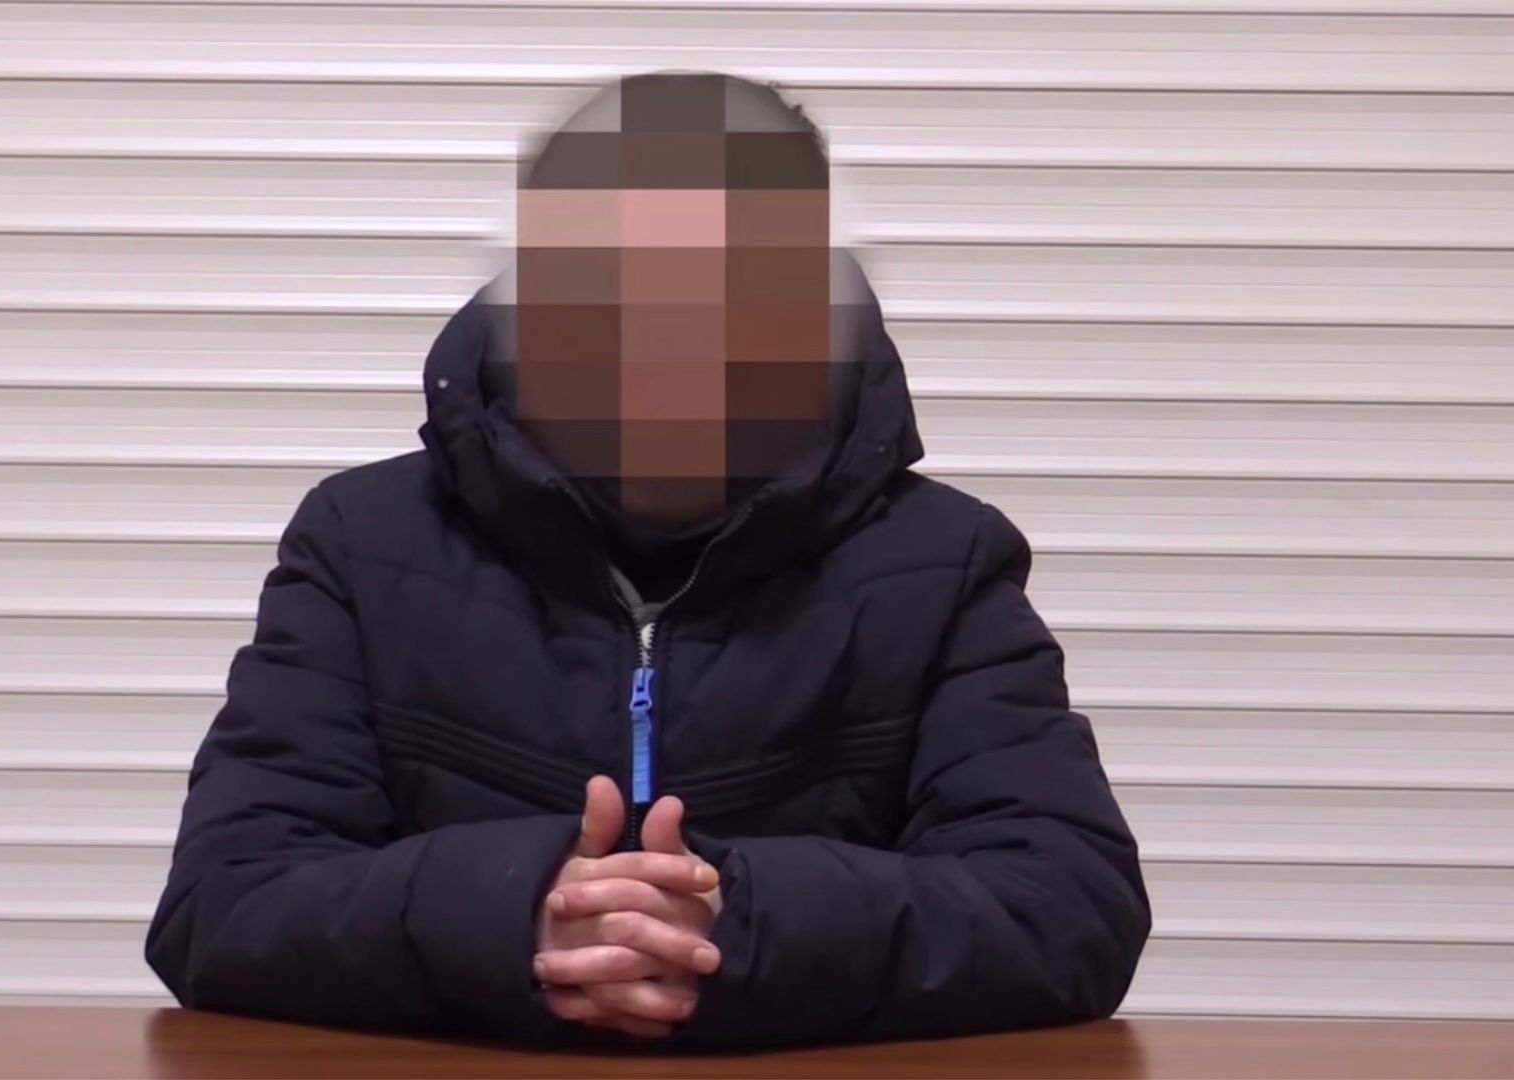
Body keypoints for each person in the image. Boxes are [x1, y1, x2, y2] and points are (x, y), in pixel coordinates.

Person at [144, 70, 1151, 1049]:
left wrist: (730, 925)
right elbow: (226, 900)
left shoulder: (940, 566)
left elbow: (1068, 905)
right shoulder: (364, 544)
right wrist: (523, 916)